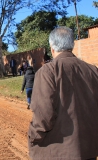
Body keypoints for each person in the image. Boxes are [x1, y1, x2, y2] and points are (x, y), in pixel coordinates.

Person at [28, 26, 98, 160]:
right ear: (72, 45)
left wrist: (33, 137)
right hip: (88, 151)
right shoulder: (93, 71)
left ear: (52, 47)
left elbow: (43, 117)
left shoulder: (47, 72)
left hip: (58, 153)